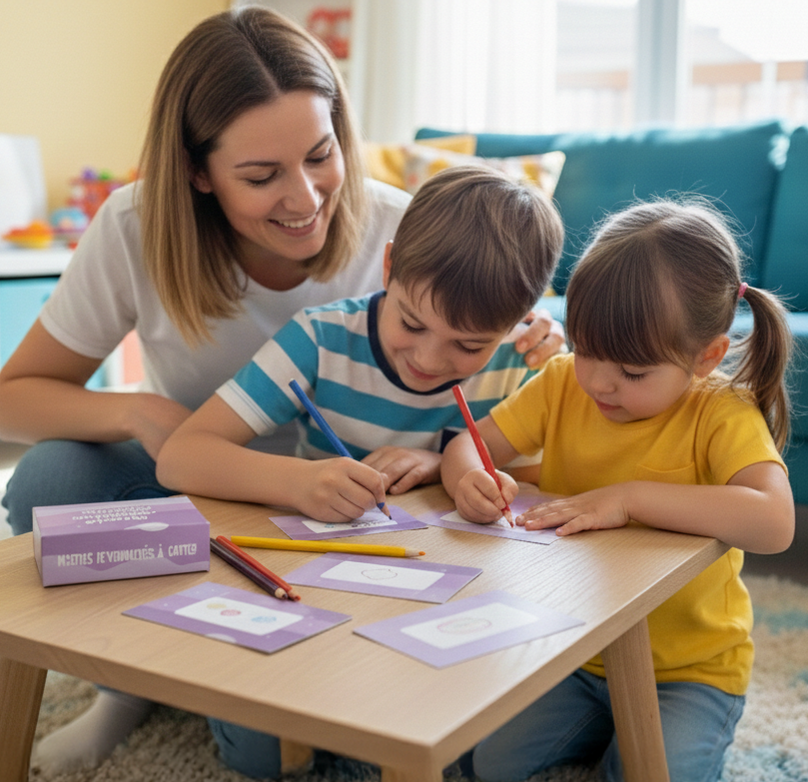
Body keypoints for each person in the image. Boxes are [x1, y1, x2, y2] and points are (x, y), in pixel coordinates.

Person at [0, 7, 564, 775]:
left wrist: (536, 344)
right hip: (202, 478)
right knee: (52, 479)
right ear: (198, 172)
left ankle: (301, 673)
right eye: (261, 176)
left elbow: (488, 343)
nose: (305, 199)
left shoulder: (400, 230)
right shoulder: (134, 227)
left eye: (321, 156)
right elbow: (14, 399)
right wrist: (138, 410)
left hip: (355, 511)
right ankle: (123, 686)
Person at [156, 162, 563, 778]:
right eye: (413, 323)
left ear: (520, 317)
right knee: (262, 759)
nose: (430, 360)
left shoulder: (520, 359)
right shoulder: (320, 339)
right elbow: (182, 454)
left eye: (469, 345)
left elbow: (546, 484)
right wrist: (297, 483)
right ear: (390, 266)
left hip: (448, 601)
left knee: (465, 751)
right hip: (308, 587)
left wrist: (451, 467)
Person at [441, 198, 797, 782]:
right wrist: (468, 480)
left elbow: (774, 522)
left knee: (652, 773)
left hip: (690, 671)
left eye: (633, 372)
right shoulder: (560, 383)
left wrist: (628, 497)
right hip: (573, 652)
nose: (601, 382)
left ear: (706, 356)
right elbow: (467, 445)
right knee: (484, 764)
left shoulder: (720, 412)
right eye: (589, 351)